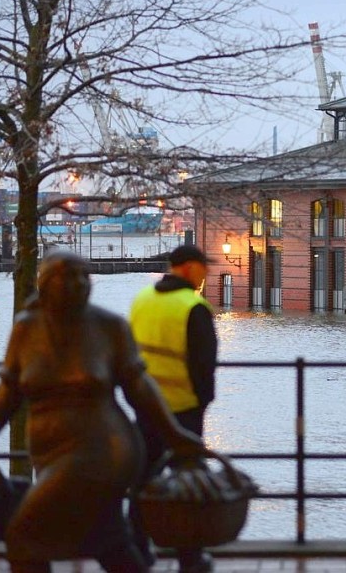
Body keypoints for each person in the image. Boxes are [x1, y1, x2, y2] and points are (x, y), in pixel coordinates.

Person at [0, 250, 206, 573]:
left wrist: (174, 435)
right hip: (50, 454)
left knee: (24, 535)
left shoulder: (109, 326)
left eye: (83, 275)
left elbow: (139, 387)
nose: (78, 283)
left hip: (104, 450)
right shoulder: (27, 329)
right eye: (67, 275)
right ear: (46, 282)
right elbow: (8, 391)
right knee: (108, 541)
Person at [128, 244, 218, 573]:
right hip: (183, 411)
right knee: (188, 485)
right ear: (189, 268)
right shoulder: (193, 306)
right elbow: (204, 366)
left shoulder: (142, 300)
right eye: (203, 266)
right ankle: (189, 557)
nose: (206, 272)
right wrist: (202, 404)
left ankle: (137, 547)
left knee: (143, 478)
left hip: (145, 406)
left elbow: (129, 356)